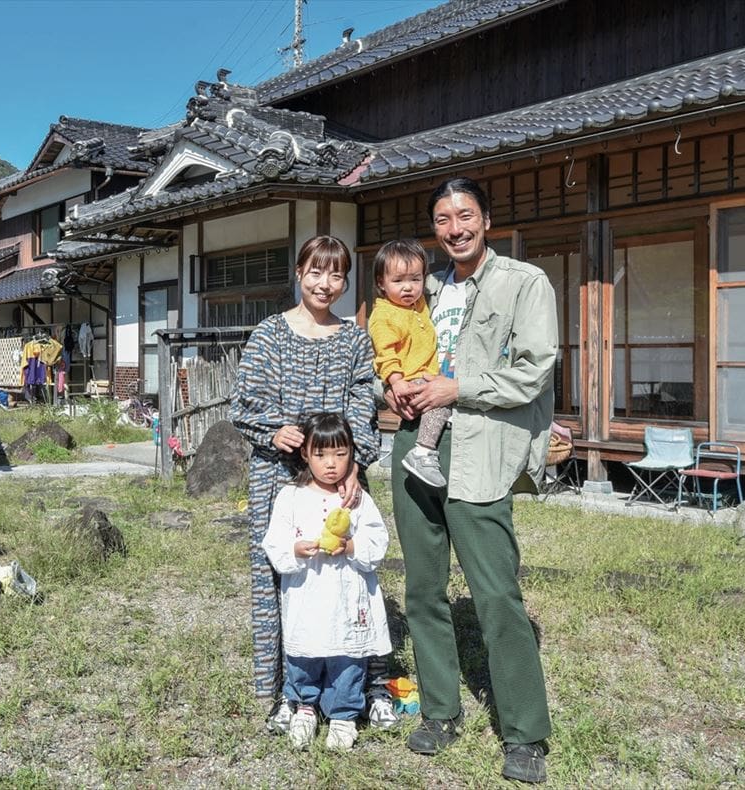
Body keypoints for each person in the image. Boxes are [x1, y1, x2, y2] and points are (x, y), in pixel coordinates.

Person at [384, 177, 557, 783]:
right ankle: (439, 710)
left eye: (464, 215)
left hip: (480, 443)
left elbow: (534, 370)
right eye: (442, 219)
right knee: (424, 588)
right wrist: (394, 387)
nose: (454, 228)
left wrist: (458, 388)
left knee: (495, 591)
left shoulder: (523, 283)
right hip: (415, 443)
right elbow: (391, 348)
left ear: (486, 218)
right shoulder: (421, 289)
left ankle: (525, 733)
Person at [229, 235, 382, 735]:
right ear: (299, 273)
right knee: (278, 574)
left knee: (345, 574)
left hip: (340, 475)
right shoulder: (269, 334)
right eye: (316, 271)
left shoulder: (355, 339)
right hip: (277, 473)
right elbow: (243, 401)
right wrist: (273, 429)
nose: (325, 283)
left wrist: (357, 460)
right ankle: (282, 691)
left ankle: (353, 684)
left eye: (336, 274)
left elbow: (363, 404)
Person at [261, 412, 392, 751]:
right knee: (304, 651)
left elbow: (378, 541)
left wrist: (351, 546)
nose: (331, 464)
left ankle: (344, 713)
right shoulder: (291, 496)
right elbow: (274, 543)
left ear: (352, 454)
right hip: (308, 593)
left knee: (347, 655)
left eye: (340, 454)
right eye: (321, 455)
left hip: (347, 594)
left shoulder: (356, 499)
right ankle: (304, 705)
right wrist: (295, 549)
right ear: (305, 454)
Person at [367, 239, 451, 489]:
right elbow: (385, 353)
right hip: (409, 379)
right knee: (441, 405)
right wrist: (395, 382)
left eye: (415, 279)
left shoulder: (418, 305)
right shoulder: (384, 315)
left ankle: (413, 449)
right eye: (398, 281)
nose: (408, 288)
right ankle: (423, 452)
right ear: (381, 283)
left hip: (423, 375)